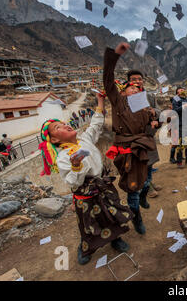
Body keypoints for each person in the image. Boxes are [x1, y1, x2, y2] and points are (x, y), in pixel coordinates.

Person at [38, 92, 133, 265]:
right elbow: (72, 182)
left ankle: (115, 239)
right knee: (89, 224)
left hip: (104, 188)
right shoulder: (63, 157)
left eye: (64, 123)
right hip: (86, 197)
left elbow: (96, 124)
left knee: (111, 215)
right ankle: (87, 248)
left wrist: (100, 100)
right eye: (58, 127)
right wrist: (76, 166)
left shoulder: (84, 139)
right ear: (54, 139)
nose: (65, 125)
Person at [103, 42, 158, 235]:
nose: (134, 90)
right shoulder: (118, 101)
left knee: (146, 181)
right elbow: (108, 79)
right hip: (127, 152)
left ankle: (144, 198)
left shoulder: (143, 107)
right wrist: (114, 56)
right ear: (123, 90)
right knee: (133, 189)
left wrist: (153, 124)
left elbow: (149, 128)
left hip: (143, 148)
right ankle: (136, 217)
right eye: (130, 87)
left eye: (137, 88)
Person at [126, 70, 163, 199]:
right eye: (133, 79)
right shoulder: (125, 96)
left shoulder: (149, 96)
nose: (137, 81)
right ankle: (146, 187)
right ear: (128, 81)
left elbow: (158, 109)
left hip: (148, 133)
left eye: (139, 79)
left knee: (150, 162)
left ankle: (149, 182)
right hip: (136, 136)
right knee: (142, 163)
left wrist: (154, 112)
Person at [172, 86, 187, 168]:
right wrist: (185, 106)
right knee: (180, 143)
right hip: (180, 123)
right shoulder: (175, 99)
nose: (183, 90)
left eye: (184, 89)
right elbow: (175, 111)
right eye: (180, 89)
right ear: (177, 92)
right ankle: (179, 161)